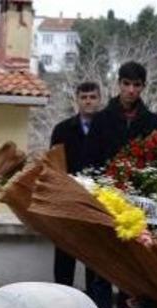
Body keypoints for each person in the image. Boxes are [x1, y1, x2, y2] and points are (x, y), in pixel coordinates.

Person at [89, 61, 157, 308]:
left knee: (132, 268)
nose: (131, 90)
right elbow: (91, 161)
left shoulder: (152, 121)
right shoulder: (101, 119)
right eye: (126, 84)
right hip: (105, 201)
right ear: (118, 84)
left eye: (137, 85)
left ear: (143, 87)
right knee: (101, 269)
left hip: (138, 202)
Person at [50, 81, 101, 288]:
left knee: (96, 261)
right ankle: (62, 302)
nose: (88, 101)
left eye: (92, 97)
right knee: (64, 257)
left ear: (99, 99)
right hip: (68, 201)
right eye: (84, 97)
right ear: (77, 100)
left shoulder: (108, 127)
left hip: (98, 201)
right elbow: (53, 164)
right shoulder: (62, 129)